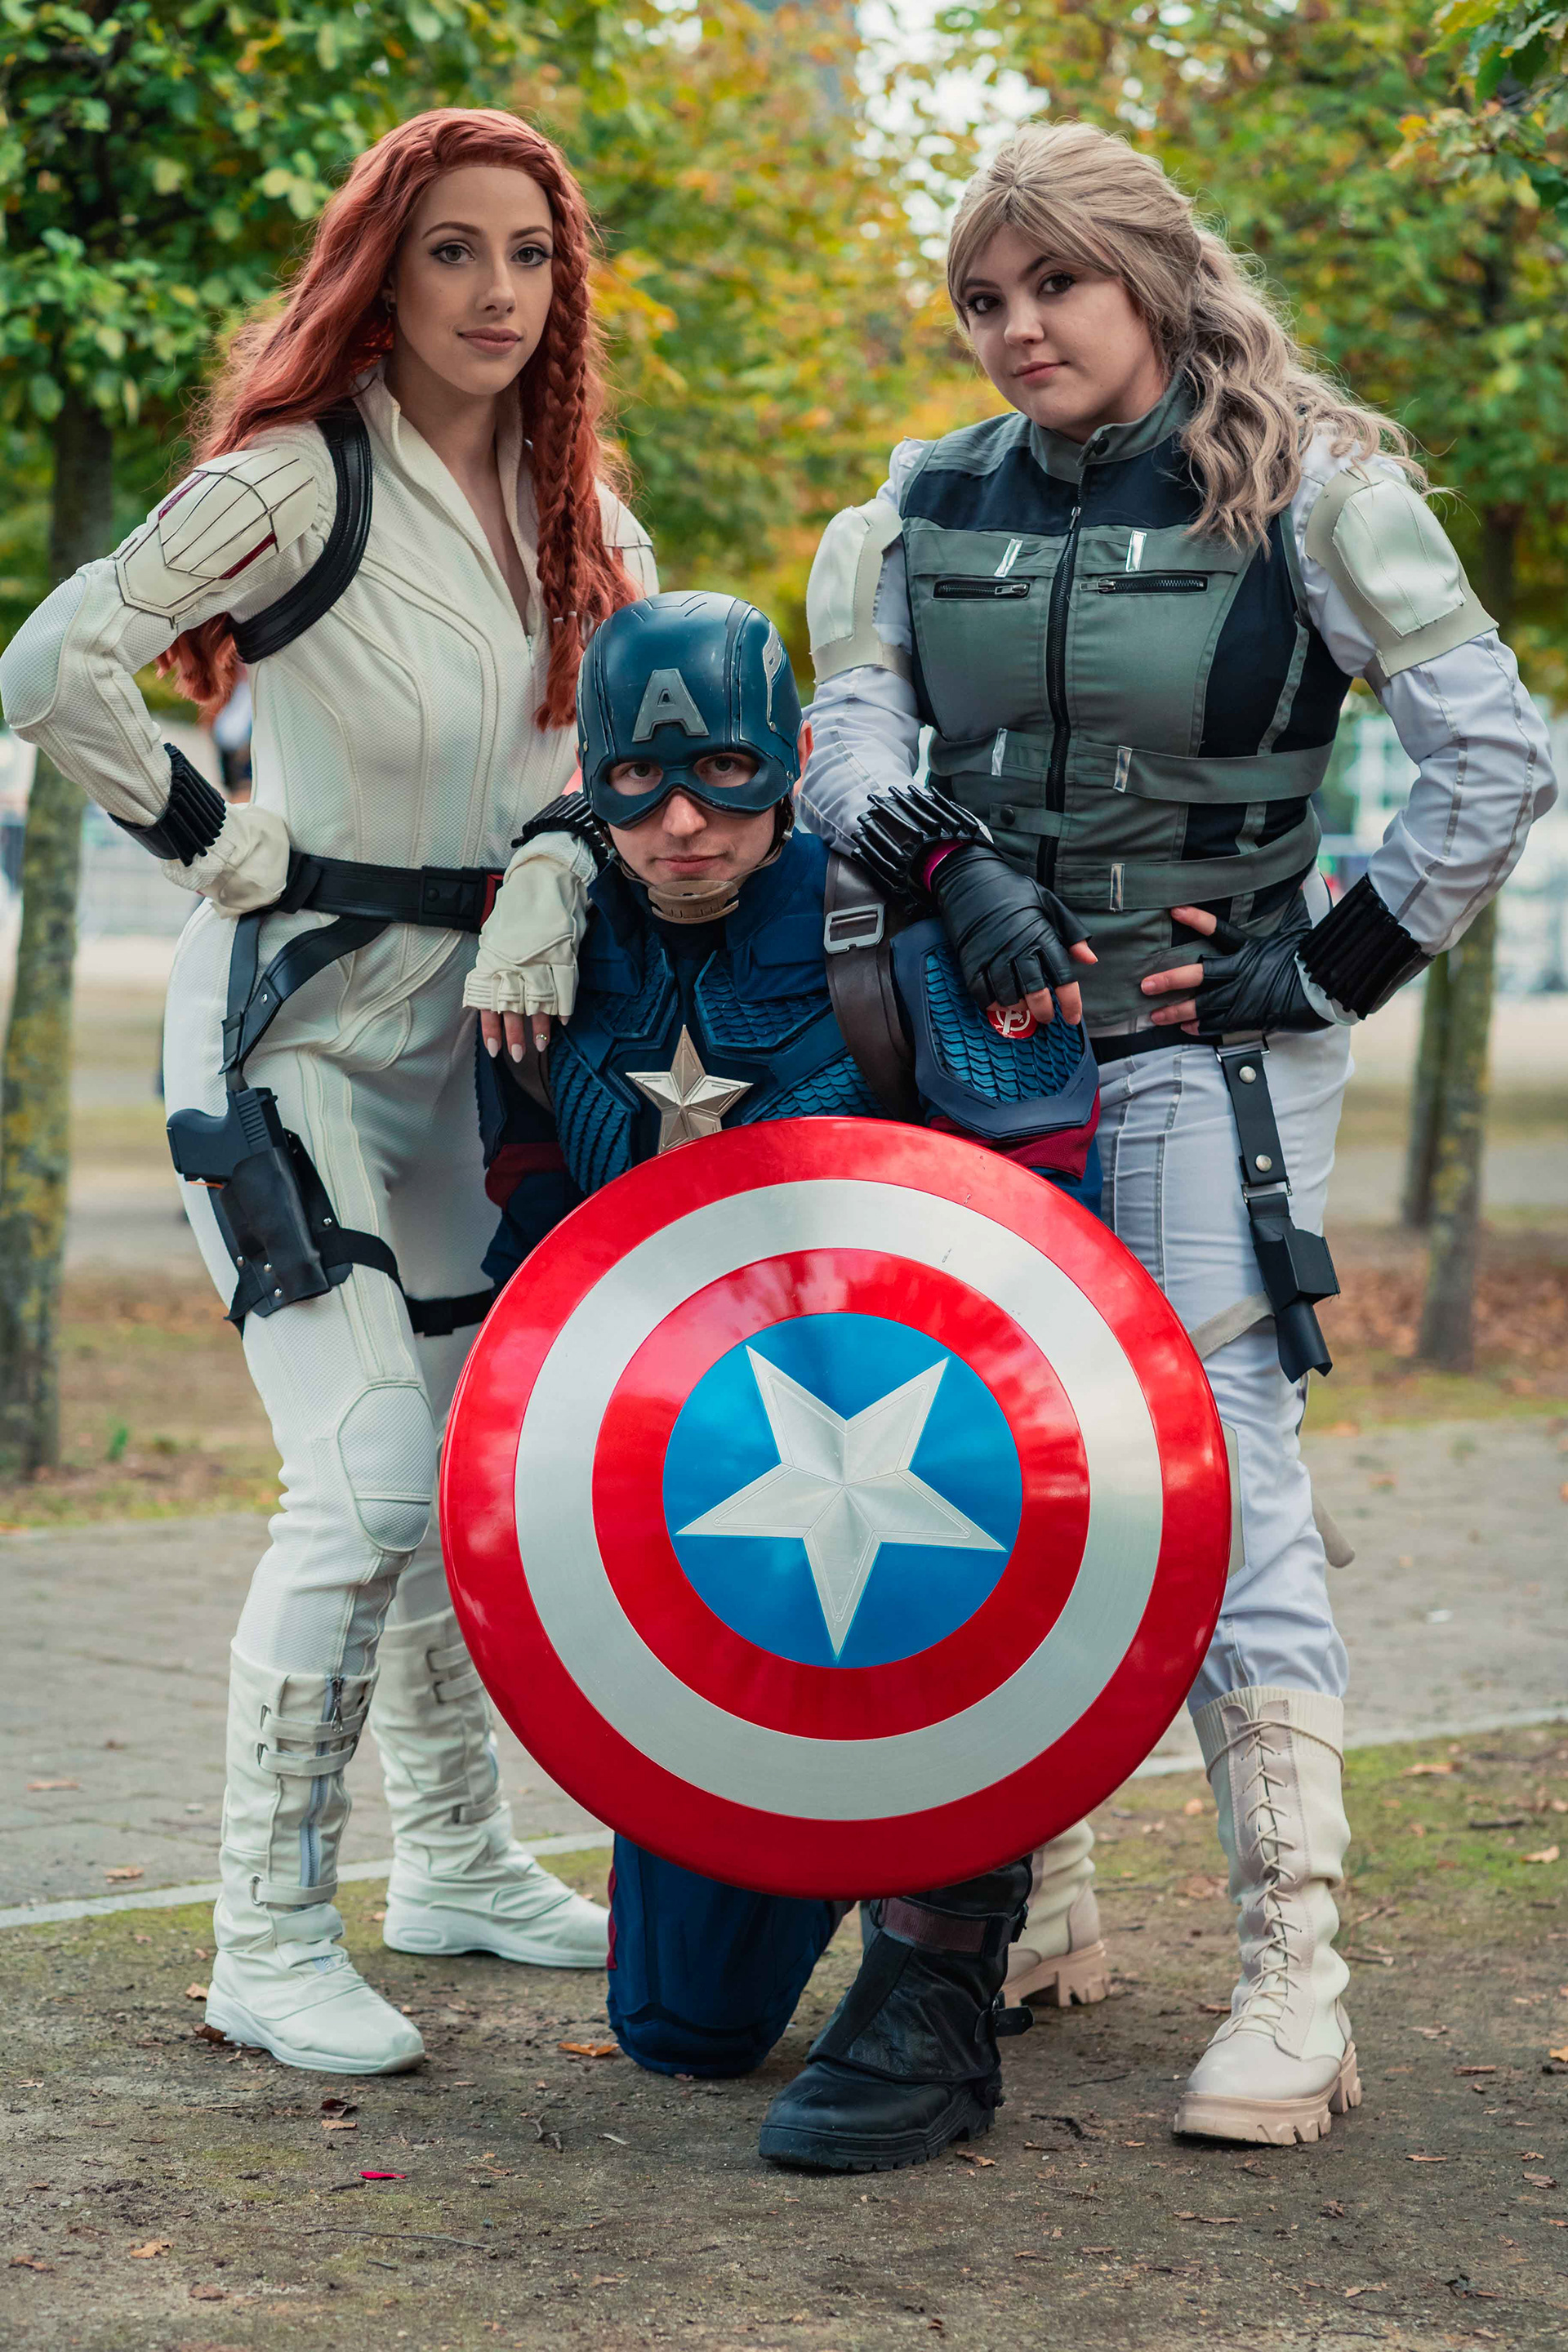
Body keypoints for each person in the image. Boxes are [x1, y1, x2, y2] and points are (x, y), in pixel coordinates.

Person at [796, 122, 1558, 2147]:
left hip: (1203, 1056)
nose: (1017, 327)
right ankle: (1038, 1897)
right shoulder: (919, 499)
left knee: (1215, 1477)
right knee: (996, 1459)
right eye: (984, 297)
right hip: (975, 1049)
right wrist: (939, 856)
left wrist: (1330, 964)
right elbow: (845, 724)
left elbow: (1496, 757)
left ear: (1148, 276)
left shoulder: (1322, 493)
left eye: (1055, 283)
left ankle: (1297, 1977)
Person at [0, 107, 657, 2077]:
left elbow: (627, 760)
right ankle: (266, 1938)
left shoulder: (582, 509)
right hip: (287, 1032)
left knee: (457, 1472)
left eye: (530, 254)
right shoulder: (290, 480)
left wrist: (561, 877)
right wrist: (210, 835)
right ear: (383, 269)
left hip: (480, 1049)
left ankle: (449, 1858)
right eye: (453, 249)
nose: (496, 292)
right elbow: (49, 666)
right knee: (364, 1472)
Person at [477, 588, 1108, 2171]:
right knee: (679, 2030)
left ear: (793, 759)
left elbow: (1055, 1280)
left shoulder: (899, 938)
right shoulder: (550, 954)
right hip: (701, 1503)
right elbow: (540, 1261)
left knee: (950, 1551)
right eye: (639, 784)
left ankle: (949, 1930)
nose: (684, 822)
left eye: (728, 774)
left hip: (929, 1472)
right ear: (592, 781)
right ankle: (848, 1844)